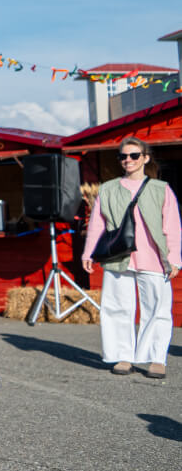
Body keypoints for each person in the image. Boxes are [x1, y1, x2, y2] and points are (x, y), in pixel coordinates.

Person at [79, 136, 180, 379]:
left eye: (134, 155)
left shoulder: (161, 189)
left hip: (155, 258)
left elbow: (173, 227)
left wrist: (174, 258)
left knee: (157, 309)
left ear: (145, 158)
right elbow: (96, 224)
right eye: (123, 156)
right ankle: (123, 356)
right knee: (116, 308)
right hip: (118, 257)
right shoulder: (108, 189)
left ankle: (156, 358)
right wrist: (88, 252)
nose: (128, 160)